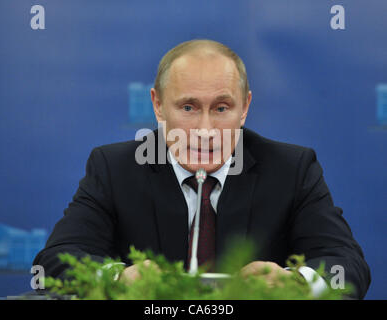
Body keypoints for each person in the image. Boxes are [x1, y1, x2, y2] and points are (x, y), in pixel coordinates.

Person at [33, 39, 370, 299]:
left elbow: (347, 266)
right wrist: (119, 279)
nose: (205, 129)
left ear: (245, 108)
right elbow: (53, 264)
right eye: (189, 107)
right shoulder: (115, 168)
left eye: (222, 108)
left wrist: (294, 282)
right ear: (158, 106)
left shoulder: (291, 169)